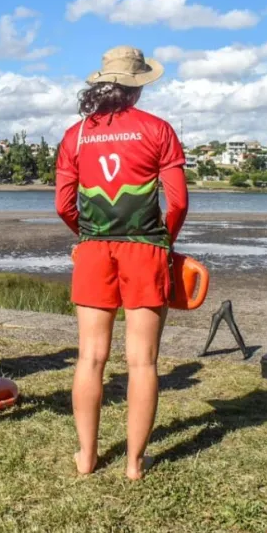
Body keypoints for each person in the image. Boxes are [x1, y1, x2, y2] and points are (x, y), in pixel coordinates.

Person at [55, 46, 188, 480]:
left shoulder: (75, 136)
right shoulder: (158, 129)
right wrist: (163, 241)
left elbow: (63, 204)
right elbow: (178, 202)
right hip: (145, 249)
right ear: (138, 87)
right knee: (142, 362)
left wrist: (88, 236)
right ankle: (134, 464)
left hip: (94, 250)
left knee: (90, 358)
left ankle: (87, 457)